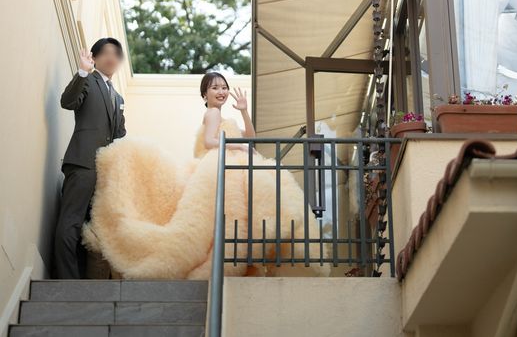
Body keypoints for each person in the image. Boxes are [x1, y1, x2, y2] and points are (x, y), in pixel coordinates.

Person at [82, 71, 328, 279]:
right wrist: (238, 147)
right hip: (218, 162)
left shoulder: (224, 117)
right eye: (214, 88)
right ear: (205, 95)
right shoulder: (213, 114)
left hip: (229, 161)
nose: (221, 91)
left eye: (224, 87)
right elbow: (211, 141)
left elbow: (251, 137)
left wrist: (244, 111)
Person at [54, 38, 126, 279]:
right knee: (71, 221)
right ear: (94, 58)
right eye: (105, 52)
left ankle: (85, 279)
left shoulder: (118, 97)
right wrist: (82, 72)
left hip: (104, 169)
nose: (111, 57)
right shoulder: (88, 80)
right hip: (83, 162)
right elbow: (68, 102)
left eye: (116, 54)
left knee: (92, 226)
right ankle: (66, 279)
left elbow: (119, 134)